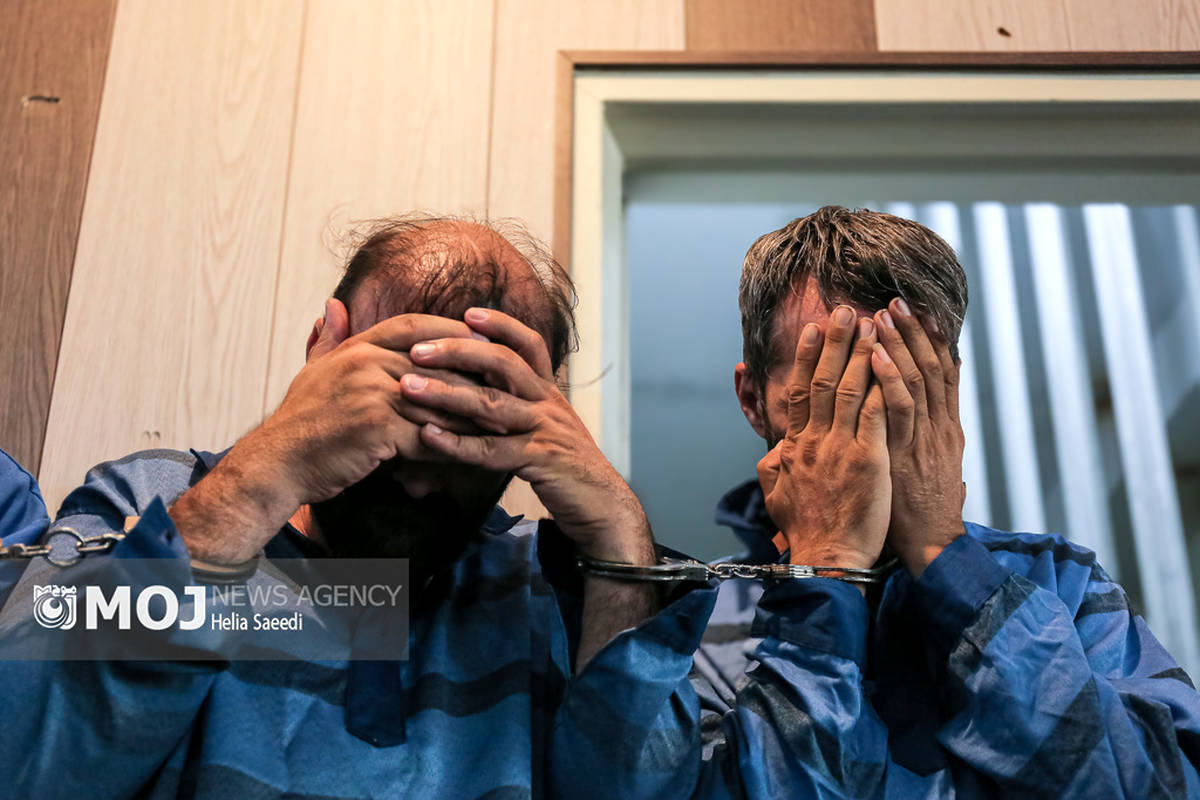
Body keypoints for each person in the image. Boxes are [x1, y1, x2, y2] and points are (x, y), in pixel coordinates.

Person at [543, 206, 1200, 799]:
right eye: (831, 386)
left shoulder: (1061, 581)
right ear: (752, 401)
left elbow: (1158, 788)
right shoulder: (691, 628)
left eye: (902, 379)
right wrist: (826, 567)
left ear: (946, 390)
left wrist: (948, 560)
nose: (868, 421)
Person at [0, 215, 663, 798]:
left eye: (468, 437)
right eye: (399, 411)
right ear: (322, 346)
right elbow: (23, 764)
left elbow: (639, 786)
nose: (420, 485)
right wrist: (258, 480)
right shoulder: (152, 499)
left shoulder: (544, 587)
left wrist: (620, 541)